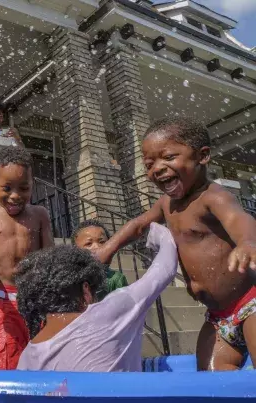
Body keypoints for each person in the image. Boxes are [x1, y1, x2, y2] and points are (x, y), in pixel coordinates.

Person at [95, 117, 256, 371]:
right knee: (212, 378)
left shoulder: (213, 197)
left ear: (202, 156)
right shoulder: (166, 204)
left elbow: (239, 218)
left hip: (251, 304)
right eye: (149, 164)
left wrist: (247, 243)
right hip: (217, 318)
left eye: (168, 157)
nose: (157, 168)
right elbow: (139, 225)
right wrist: (107, 249)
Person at [16, 223, 178, 372]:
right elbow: (165, 268)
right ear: (86, 290)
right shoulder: (111, 315)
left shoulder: (27, 358)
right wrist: (158, 231)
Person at [0, 146, 53, 370]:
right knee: (7, 353)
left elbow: (48, 254)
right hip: (2, 298)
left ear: (32, 185)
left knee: (38, 353)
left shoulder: (40, 215)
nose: (15, 196)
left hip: (34, 298)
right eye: (7, 188)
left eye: (23, 188)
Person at [73, 219, 128, 299]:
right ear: (75, 250)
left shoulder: (115, 279)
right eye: (89, 244)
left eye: (102, 242)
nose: (97, 247)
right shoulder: (71, 278)